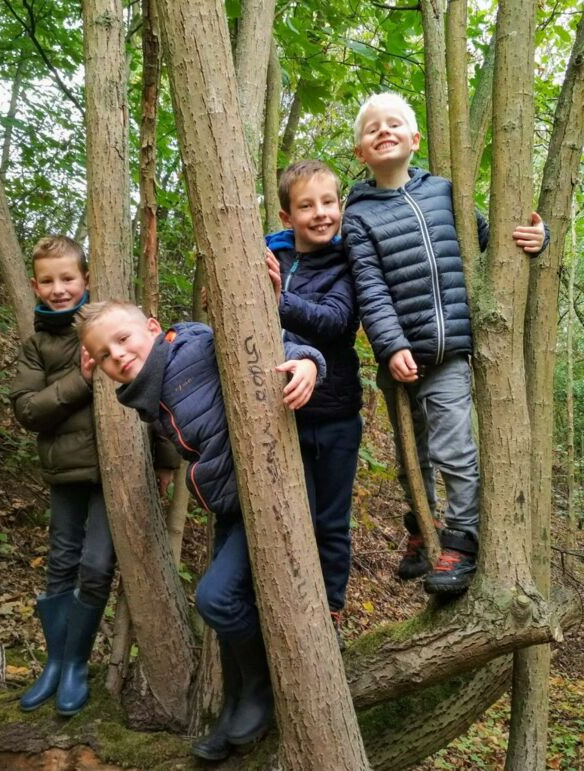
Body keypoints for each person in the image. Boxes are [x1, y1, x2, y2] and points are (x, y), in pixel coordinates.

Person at [75, 299, 326, 761]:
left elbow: (263, 349)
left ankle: (261, 690)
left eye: (123, 339)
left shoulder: (191, 348)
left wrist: (308, 363)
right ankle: (232, 708)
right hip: (235, 503)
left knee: (216, 598)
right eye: (105, 354)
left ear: (153, 328)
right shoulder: (149, 391)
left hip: (274, 491)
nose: (118, 355)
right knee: (225, 612)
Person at [341, 92, 549, 595]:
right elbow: (370, 287)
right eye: (373, 128)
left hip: (449, 350)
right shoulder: (358, 217)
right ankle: (424, 526)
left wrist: (535, 240)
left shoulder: (443, 193)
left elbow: (486, 238)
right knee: (411, 452)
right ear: (360, 152)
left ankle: (461, 540)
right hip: (401, 356)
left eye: (395, 124)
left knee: (454, 448)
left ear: (415, 139)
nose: (384, 131)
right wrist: (391, 345)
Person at [9, 236, 179, 716]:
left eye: (68, 278)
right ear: (35, 286)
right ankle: (54, 663)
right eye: (48, 281)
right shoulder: (37, 345)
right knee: (61, 562)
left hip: (114, 472)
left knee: (98, 565)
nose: (59, 289)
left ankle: (76, 665)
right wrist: (81, 381)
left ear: (85, 279)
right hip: (66, 471)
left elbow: (152, 385)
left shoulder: (108, 330)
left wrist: (165, 459)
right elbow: (27, 410)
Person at [264, 160, 362, 647]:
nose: (321, 213)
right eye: (307, 206)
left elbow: (335, 321)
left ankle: (331, 610)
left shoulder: (348, 260)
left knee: (330, 522)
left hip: (337, 416)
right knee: (290, 516)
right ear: (288, 216)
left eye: (329, 202)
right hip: (282, 414)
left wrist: (278, 299)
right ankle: (290, 609)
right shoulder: (270, 256)